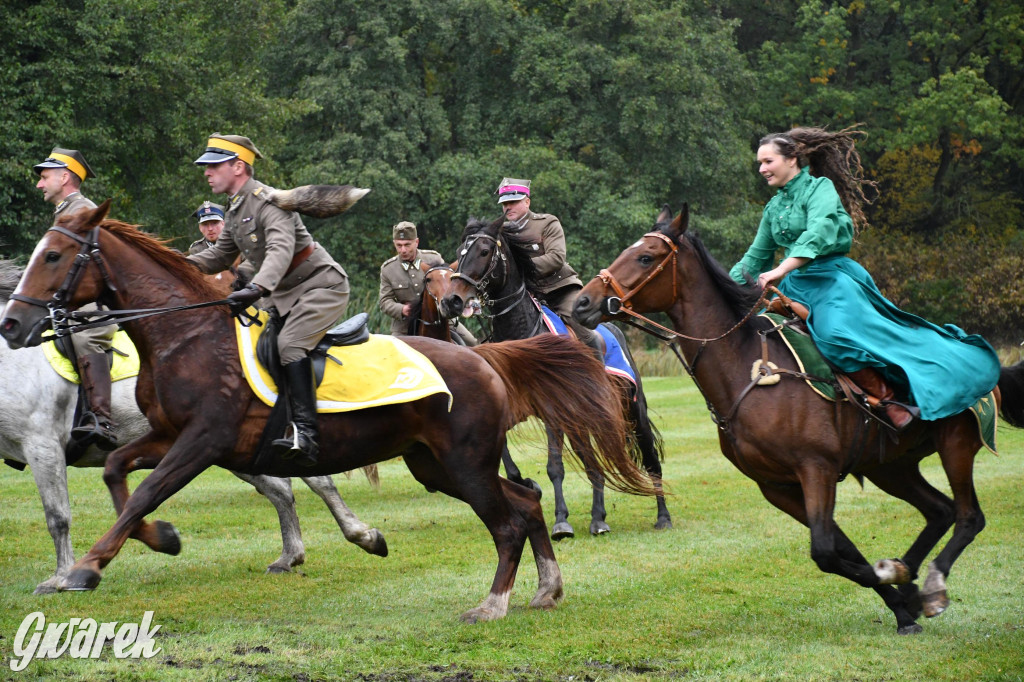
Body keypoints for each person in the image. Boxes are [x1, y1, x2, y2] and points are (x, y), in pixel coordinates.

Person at [729, 126, 1000, 430]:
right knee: (762, 335)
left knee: (834, 336)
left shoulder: (820, 189)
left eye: (768, 162)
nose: (763, 169)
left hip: (833, 282)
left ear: (792, 159)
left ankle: (889, 401)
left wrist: (780, 270)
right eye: (759, 164)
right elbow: (755, 257)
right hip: (794, 289)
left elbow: (816, 234)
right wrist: (721, 287)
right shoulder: (773, 207)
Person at [188, 133, 350, 466]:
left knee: (289, 346)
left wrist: (256, 288)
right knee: (262, 348)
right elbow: (220, 255)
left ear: (238, 167)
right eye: (206, 166)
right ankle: (280, 422)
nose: (206, 172)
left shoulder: (270, 202)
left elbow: (279, 250)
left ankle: (307, 434)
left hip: (321, 287)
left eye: (214, 165)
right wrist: (172, 264)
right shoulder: (235, 210)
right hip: (288, 296)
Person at [34, 147, 119, 450]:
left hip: (90, 309)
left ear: (65, 176)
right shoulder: (65, 211)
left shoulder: (82, 211)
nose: (39, 184)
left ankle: (102, 419)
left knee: (86, 340)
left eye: (44, 177)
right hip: (68, 308)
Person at [495, 177, 601, 352]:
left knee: (583, 330)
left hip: (558, 291)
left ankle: (599, 373)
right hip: (524, 296)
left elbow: (556, 257)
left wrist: (519, 269)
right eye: (505, 203)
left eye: (513, 202)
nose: (508, 207)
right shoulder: (500, 232)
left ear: (527, 202)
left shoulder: (546, 223)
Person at [378, 221, 477, 344]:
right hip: (404, 326)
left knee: (472, 342)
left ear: (416, 242)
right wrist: (402, 309)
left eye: (407, 245)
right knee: (392, 355)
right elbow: (384, 301)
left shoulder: (433, 258)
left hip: (441, 320)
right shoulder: (388, 269)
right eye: (399, 245)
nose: (403, 250)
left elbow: (447, 284)